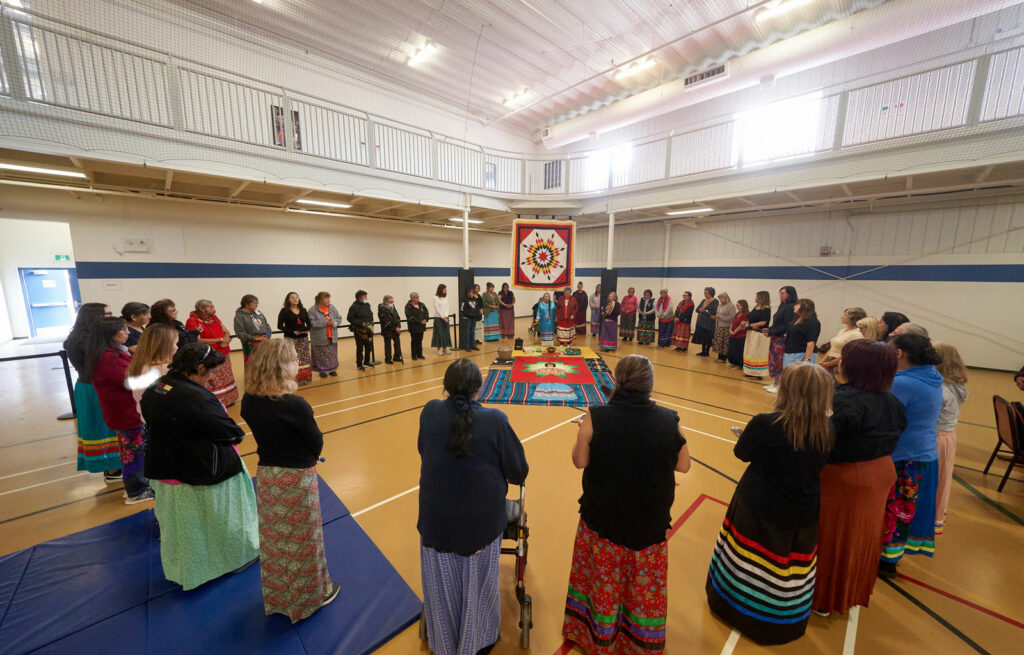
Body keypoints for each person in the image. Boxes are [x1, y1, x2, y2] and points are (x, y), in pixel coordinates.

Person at [562, 355, 691, 653]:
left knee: (602, 584)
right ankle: (638, 643)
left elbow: (579, 460)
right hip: (648, 525)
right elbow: (683, 466)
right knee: (641, 588)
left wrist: (585, 431)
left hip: (602, 520)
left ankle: (598, 638)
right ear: (650, 385)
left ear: (617, 381)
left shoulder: (597, 416)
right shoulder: (669, 420)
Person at [706, 362, 834, 645]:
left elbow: (742, 453)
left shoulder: (768, 423)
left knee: (749, 558)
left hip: (761, 504)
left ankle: (739, 608)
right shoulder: (828, 429)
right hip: (804, 507)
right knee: (788, 566)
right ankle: (780, 619)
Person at [417, 359, 528, 655]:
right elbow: (519, 472)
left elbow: (423, 451)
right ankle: (475, 642)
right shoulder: (495, 420)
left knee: (442, 585)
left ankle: (443, 640)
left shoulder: (429, 412)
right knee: (477, 584)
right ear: (479, 389)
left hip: (434, 522)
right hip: (480, 526)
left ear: (445, 387)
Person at [142, 343, 259, 591]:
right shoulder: (196, 398)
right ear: (199, 367)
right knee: (220, 518)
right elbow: (229, 431)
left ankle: (191, 568)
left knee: (185, 529)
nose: (214, 378)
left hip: (165, 468)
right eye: (211, 372)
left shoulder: (158, 386)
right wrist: (236, 433)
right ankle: (235, 557)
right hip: (199, 471)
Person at [241, 340, 339, 622]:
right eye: (295, 360)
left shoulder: (250, 399)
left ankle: (279, 596)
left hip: (268, 475)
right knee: (303, 540)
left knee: (275, 539)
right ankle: (311, 598)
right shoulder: (294, 404)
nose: (299, 363)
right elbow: (315, 442)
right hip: (296, 477)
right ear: (281, 367)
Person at [813, 340, 905, 616]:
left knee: (832, 535)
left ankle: (823, 595)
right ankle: (849, 589)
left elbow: (821, 442)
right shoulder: (893, 402)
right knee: (860, 535)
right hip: (880, 472)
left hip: (845, 476)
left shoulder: (842, 401)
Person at [879, 334, 943, 578]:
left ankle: (887, 560)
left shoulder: (903, 383)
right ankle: (889, 556)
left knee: (896, 509)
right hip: (920, 452)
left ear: (898, 354)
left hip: (907, 455)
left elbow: (883, 413)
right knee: (903, 508)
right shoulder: (930, 375)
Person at [89, 316, 154, 504]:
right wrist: (157, 374)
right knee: (133, 452)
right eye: (124, 329)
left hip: (125, 410)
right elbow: (132, 380)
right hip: (125, 412)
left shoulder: (113, 352)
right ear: (111, 334)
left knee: (133, 450)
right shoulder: (110, 357)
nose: (128, 332)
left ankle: (136, 486)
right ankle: (137, 490)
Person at [65, 303, 121, 481]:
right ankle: (112, 469)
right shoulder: (88, 341)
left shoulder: (79, 338)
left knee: (106, 427)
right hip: (94, 388)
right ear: (94, 317)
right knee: (103, 428)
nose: (111, 317)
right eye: (107, 314)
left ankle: (113, 466)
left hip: (88, 386)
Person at [933, 342, 968, 536]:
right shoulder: (957, 386)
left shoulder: (942, 389)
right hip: (948, 437)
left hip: (937, 437)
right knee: (941, 479)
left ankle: (928, 517)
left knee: (935, 479)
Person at [186, 299, 239, 405]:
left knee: (226, 376)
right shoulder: (192, 321)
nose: (212, 308)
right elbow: (197, 339)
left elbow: (226, 332)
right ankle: (216, 402)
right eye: (209, 307)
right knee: (212, 378)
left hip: (223, 352)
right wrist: (219, 340)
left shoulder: (214, 318)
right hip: (208, 355)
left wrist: (226, 339)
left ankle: (229, 400)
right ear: (201, 309)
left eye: (212, 306)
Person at [125, 323, 178, 419]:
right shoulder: (165, 369)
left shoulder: (135, 365)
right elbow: (170, 396)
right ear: (164, 346)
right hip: (163, 419)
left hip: (145, 417)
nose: (177, 347)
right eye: (175, 343)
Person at [763, 286, 797, 392]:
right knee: (773, 360)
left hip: (782, 338)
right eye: (780, 293)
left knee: (779, 361)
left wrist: (772, 331)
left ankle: (780, 385)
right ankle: (775, 382)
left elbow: (787, 325)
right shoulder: (782, 305)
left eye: (783, 293)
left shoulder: (791, 307)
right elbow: (777, 323)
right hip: (775, 336)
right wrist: (769, 330)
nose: (780, 295)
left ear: (790, 294)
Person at [277, 292, 312, 386]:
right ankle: (293, 378)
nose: (295, 299)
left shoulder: (303, 310)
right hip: (290, 339)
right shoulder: (284, 311)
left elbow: (309, 323)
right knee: (293, 358)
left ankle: (305, 378)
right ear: (288, 300)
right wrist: (292, 331)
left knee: (303, 359)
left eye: (297, 297)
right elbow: (280, 326)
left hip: (303, 339)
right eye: (292, 297)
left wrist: (306, 330)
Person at [819, 307, 867, 375]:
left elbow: (849, 354)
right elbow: (832, 348)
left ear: (853, 318)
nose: (842, 317)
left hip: (839, 363)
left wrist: (829, 364)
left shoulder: (857, 334)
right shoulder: (842, 331)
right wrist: (822, 361)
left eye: (845, 315)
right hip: (829, 361)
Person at [308, 291, 343, 377]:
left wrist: (334, 323)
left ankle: (332, 369)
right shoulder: (313, 310)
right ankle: (322, 371)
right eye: (326, 298)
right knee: (321, 356)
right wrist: (325, 323)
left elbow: (339, 318)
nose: (328, 300)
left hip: (332, 336)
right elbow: (312, 323)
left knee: (332, 355)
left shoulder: (332, 307)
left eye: (329, 298)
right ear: (320, 300)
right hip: (319, 338)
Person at [781, 299, 821, 373]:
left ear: (804, 307)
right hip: (790, 353)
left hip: (801, 354)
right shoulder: (796, 319)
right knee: (788, 377)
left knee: (798, 379)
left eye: (797, 305)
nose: (794, 306)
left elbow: (811, 343)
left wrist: (807, 360)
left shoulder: (813, 322)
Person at [233, 294, 271, 365]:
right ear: (246, 304)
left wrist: (267, 335)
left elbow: (267, 325)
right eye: (254, 303)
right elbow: (240, 333)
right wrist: (256, 339)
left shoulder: (258, 313)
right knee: (252, 365)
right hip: (250, 345)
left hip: (264, 341)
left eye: (257, 302)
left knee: (265, 364)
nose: (257, 305)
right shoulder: (240, 316)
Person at [742, 291, 772, 378]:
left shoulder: (766, 309)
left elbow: (764, 322)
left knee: (757, 354)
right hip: (751, 333)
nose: (755, 298)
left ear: (761, 298)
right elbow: (751, 318)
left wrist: (752, 325)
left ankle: (757, 374)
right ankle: (749, 371)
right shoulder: (756, 307)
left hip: (759, 335)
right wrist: (747, 324)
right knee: (750, 352)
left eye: (756, 297)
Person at [348, 290, 378, 370]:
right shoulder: (354, 306)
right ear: (359, 298)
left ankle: (367, 362)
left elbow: (370, 314)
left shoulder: (367, 304)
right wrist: (361, 323)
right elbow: (350, 318)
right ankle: (359, 364)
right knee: (360, 347)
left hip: (368, 328)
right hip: (359, 329)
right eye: (365, 297)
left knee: (369, 346)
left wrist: (371, 323)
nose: (366, 298)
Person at [692, 287, 719, 357]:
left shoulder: (715, 301)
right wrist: (700, 309)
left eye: (706, 292)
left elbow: (715, 312)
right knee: (703, 337)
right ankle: (703, 351)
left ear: (711, 293)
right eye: (704, 292)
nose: (705, 294)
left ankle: (707, 351)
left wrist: (706, 311)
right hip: (701, 322)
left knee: (708, 338)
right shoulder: (703, 300)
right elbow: (697, 309)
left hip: (709, 323)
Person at [378, 295, 404, 364]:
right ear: (386, 302)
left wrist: (398, 326)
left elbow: (398, 317)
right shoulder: (381, 309)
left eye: (393, 301)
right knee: (388, 345)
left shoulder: (392, 307)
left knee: (397, 343)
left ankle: (397, 357)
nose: (392, 303)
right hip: (387, 329)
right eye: (391, 302)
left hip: (396, 329)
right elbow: (386, 321)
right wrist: (394, 328)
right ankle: (388, 359)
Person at [711, 292, 736, 363]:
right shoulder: (719, 305)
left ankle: (723, 358)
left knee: (724, 343)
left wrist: (720, 317)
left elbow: (732, 318)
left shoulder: (731, 306)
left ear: (726, 298)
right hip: (719, 326)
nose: (720, 300)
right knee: (719, 343)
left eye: (721, 298)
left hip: (726, 327)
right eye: (719, 299)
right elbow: (718, 315)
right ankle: (719, 357)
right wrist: (715, 317)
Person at [405, 292, 430, 360]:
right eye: (416, 297)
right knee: (414, 341)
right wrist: (419, 321)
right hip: (413, 327)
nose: (418, 299)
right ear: (413, 299)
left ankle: (420, 354)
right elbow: (410, 317)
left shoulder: (421, 305)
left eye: (418, 297)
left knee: (420, 340)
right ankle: (414, 355)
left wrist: (425, 319)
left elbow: (426, 313)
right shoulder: (408, 306)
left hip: (421, 327)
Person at [726, 299, 748, 368]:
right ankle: (733, 362)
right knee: (732, 350)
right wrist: (730, 330)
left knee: (739, 350)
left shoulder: (746, 314)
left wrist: (735, 331)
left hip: (740, 335)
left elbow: (742, 325)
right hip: (733, 335)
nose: (737, 307)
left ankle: (739, 364)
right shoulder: (737, 314)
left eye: (738, 305)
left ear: (743, 306)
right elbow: (733, 322)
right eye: (736, 305)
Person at [460, 287, 483, 352]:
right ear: (468, 293)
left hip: (474, 318)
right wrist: (467, 314)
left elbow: (477, 308)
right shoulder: (464, 300)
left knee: (472, 332)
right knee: (467, 333)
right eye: (471, 293)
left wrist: (478, 314)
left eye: (473, 293)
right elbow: (462, 309)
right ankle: (467, 346)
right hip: (467, 319)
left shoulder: (475, 300)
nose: (473, 294)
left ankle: (472, 345)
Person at [432, 284, 452, 355]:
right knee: (439, 334)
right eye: (444, 289)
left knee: (446, 333)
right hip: (438, 318)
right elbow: (437, 308)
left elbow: (447, 307)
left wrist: (446, 316)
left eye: (446, 289)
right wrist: (442, 316)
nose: (445, 290)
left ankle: (445, 348)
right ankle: (439, 349)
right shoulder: (435, 298)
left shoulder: (446, 297)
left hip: (445, 318)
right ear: (440, 289)